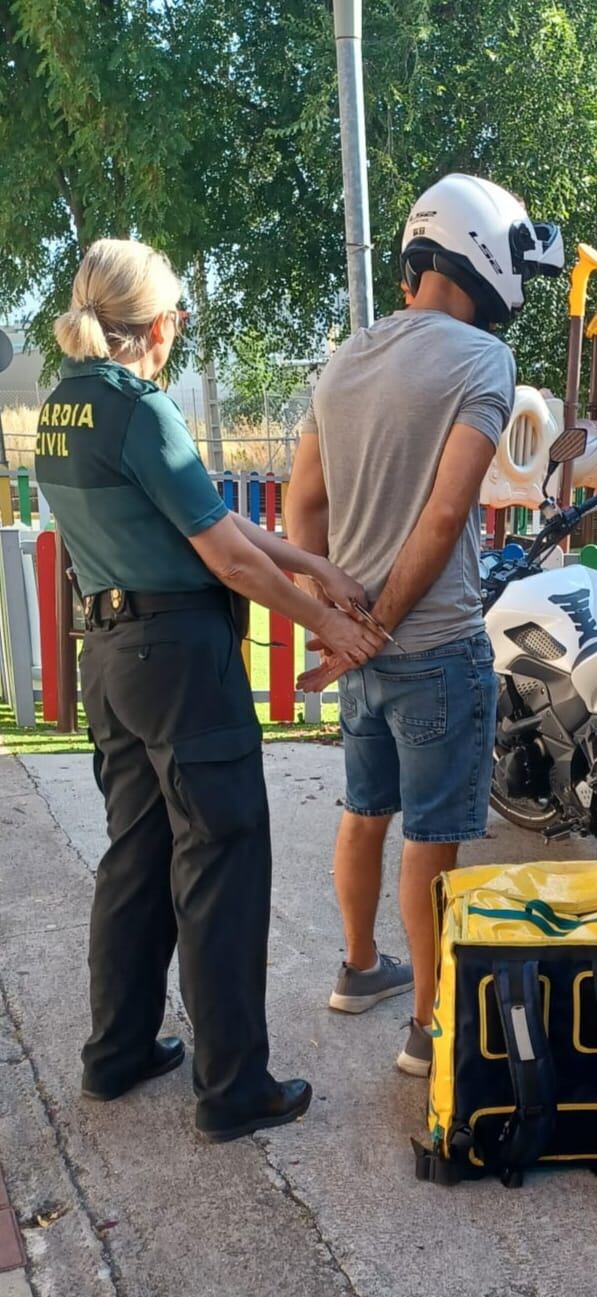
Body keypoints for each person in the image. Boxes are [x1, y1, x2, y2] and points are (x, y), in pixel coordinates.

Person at [36, 238, 384, 1142]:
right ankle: (234, 1090)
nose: (181, 328)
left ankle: (115, 1054)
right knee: (222, 862)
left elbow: (206, 511)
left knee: (137, 858)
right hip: (180, 664)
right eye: (180, 314)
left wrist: (310, 562)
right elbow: (223, 555)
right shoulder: (138, 409)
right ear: (158, 324)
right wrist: (330, 623)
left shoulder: (63, 406)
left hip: (111, 662)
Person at [286, 174, 563, 1075]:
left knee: (364, 814)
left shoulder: (344, 358)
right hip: (434, 646)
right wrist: (377, 625)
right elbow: (447, 518)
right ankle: (427, 1027)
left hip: (356, 655)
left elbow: (305, 502)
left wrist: (338, 619)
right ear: (485, 258)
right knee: (430, 840)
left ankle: (359, 968)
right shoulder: (482, 361)